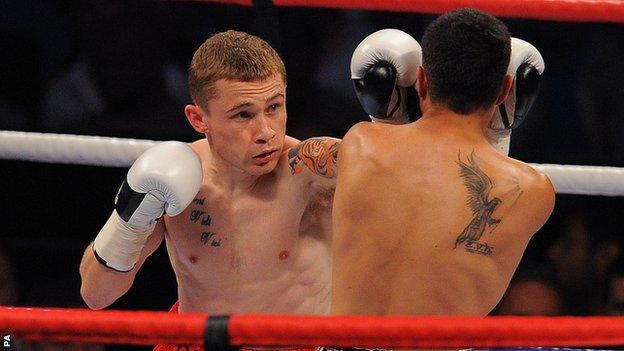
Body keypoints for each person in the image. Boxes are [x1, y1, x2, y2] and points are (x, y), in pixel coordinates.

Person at [79, 30, 340, 349]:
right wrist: (131, 219)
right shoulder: (174, 179)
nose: (266, 132)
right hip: (197, 342)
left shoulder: (311, 170)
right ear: (198, 119)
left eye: (274, 107)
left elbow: (383, 164)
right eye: (243, 115)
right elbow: (95, 295)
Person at [331, 8, 555, 316]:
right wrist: (500, 133)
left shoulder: (361, 144)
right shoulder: (533, 191)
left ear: (421, 79)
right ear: (505, 90)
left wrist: (390, 117)